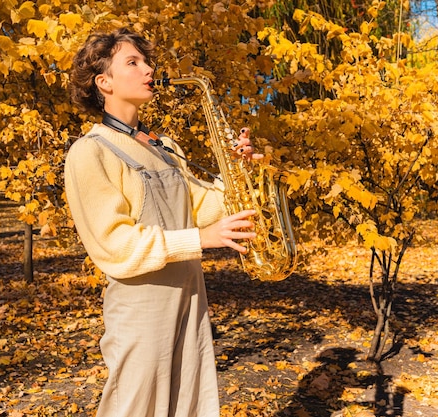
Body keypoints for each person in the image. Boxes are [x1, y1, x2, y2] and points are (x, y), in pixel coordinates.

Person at [65, 28, 262, 417]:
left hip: (190, 293)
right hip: (142, 304)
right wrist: (200, 240)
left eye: (147, 61)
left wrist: (241, 174)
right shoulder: (90, 152)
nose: (148, 69)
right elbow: (114, 243)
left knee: (190, 404)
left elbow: (204, 206)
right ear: (103, 82)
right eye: (132, 62)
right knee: (133, 407)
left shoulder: (165, 146)